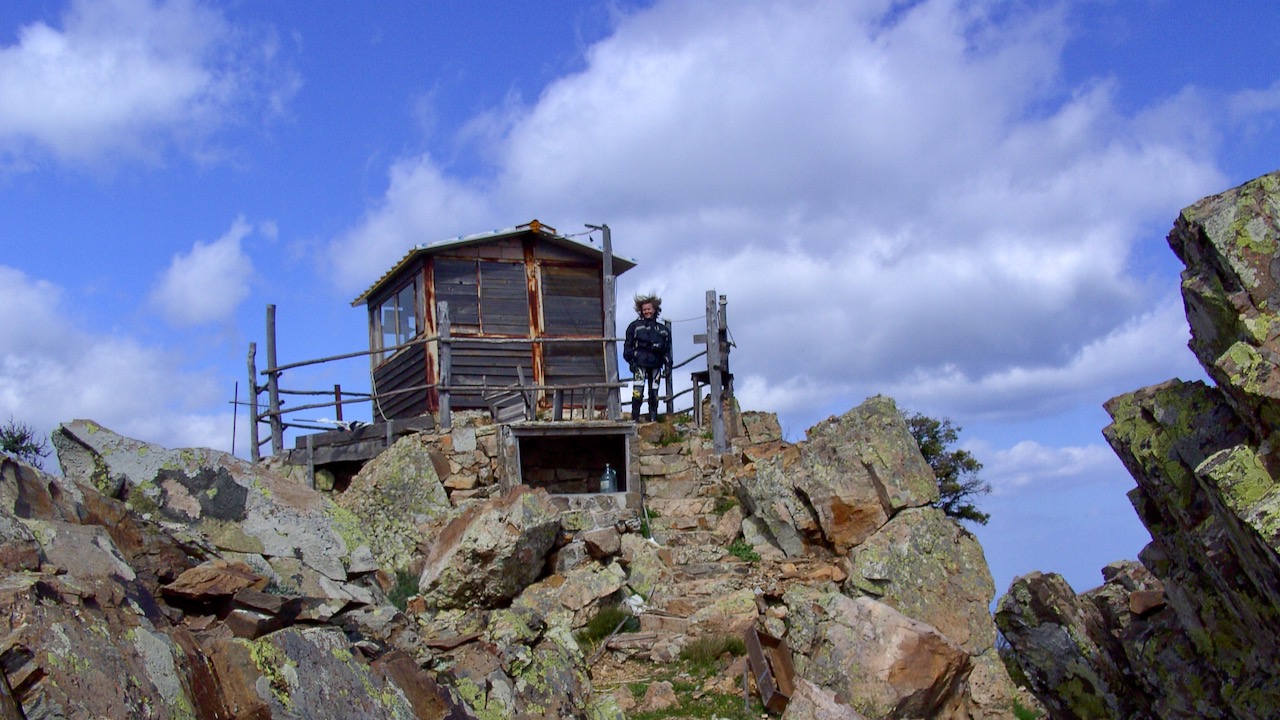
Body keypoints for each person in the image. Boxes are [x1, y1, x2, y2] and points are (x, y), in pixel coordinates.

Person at [623, 294, 672, 421]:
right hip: (639, 363)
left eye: (649, 309)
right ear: (641, 311)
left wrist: (668, 365)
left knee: (654, 392)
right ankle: (635, 419)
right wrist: (631, 362)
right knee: (637, 392)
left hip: (656, 364)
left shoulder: (663, 330)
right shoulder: (634, 327)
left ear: (655, 309)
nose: (647, 311)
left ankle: (653, 419)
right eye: (644, 309)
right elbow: (628, 347)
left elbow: (667, 350)